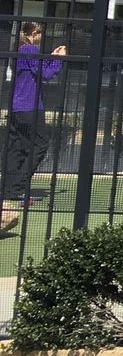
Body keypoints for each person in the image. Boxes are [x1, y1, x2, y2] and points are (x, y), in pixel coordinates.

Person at [3, 20, 66, 235]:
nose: (41, 37)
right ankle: (18, 187)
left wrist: (51, 57)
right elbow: (46, 74)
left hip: (17, 107)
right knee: (40, 145)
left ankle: (9, 188)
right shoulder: (29, 49)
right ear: (32, 34)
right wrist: (58, 60)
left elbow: (37, 69)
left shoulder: (21, 51)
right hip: (30, 107)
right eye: (39, 33)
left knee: (17, 146)